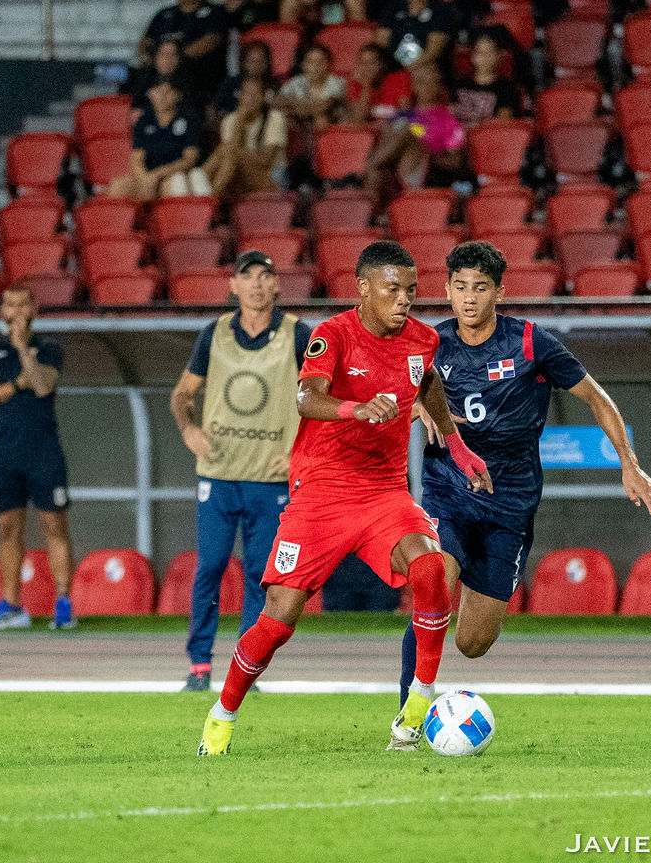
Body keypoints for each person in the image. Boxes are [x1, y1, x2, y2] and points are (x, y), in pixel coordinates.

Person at [197, 241, 493, 755]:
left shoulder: (422, 341)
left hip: (384, 492)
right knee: (278, 618)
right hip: (321, 494)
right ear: (363, 289)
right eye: (393, 289)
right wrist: (356, 410)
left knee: (429, 568)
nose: (405, 300)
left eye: (412, 291)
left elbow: (428, 388)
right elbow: (305, 398)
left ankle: (416, 705)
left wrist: (459, 446)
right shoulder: (330, 335)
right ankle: (222, 715)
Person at [398, 240, 651, 708]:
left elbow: (597, 398)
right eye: (460, 287)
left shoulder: (530, 342)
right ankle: (409, 714)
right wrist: (418, 404)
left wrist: (630, 463)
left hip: (510, 505)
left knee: (472, 643)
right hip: (448, 495)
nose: (469, 297)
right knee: (432, 587)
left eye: (480, 288)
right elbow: (392, 398)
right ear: (446, 290)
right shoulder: (429, 344)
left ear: (499, 292)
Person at [171, 250, 312, 692]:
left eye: (264, 276)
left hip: (270, 478)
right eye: (245, 275)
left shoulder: (296, 334)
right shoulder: (213, 334)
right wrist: (188, 429)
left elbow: (321, 396)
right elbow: (182, 394)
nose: (255, 284)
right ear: (232, 286)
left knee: (260, 574)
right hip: (218, 473)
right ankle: (198, 664)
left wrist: (298, 454)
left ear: (276, 286)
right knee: (210, 567)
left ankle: (245, 668)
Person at [0, 283, 77, 632]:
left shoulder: (48, 349)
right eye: (9, 304)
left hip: (44, 453)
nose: (16, 311)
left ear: (33, 309)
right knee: (7, 528)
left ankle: (63, 603)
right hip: (5, 454)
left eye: (22, 304)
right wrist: (16, 385)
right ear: (1, 311)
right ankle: (12, 606)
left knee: (54, 526)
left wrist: (22, 350)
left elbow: (43, 384)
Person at [365, 61, 466, 214]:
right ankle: (380, 213)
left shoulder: (449, 121)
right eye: (419, 81)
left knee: (407, 130)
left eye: (429, 81)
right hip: (392, 176)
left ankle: (371, 176)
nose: (423, 85)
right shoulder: (401, 115)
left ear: (439, 86)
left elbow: (455, 162)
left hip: (427, 171)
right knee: (390, 136)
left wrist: (432, 154)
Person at [109, 78, 206, 200]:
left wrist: (157, 175)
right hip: (148, 175)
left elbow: (189, 159)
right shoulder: (143, 120)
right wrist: (145, 178)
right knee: (118, 185)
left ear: (177, 95)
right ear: (150, 94)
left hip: (172, 174)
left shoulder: (188, 119)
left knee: (173, 184)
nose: (162, 97)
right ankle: (124, 219)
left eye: (167, 92)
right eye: (158, 91)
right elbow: (136, 159)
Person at [141, 0, 230, 97]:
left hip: (204, 83)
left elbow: (211, 40)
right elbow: (145, 43)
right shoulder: (164, 15)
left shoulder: (216, 13)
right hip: (162, 81)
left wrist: (173, 59)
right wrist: (153, 58)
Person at [202, 77, 289, 205]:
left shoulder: (275, 117)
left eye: (256, 94)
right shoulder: (230, 120)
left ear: (263, 97)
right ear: (240, 96)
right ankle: (204, 189)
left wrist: (241, 153)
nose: (251, 98)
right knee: (227, 150)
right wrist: (239, 122)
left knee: (230, 149)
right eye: (247, 94)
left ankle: (206, 196)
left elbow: (265, 162)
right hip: (237, 179)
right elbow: (228, 160)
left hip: (270, 178)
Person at [376, 0, 453, 70]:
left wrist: (409, 69)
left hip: (424, 66)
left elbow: (433, 52)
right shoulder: (394, 5)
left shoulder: (440, 10)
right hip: (393, 64)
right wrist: (392, 66)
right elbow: (382, 41)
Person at [452, 32, 522, 127]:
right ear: (472, 56)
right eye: (480, 52)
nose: (485, 57)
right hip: (455, 137)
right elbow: (447, 115)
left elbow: (502, 123)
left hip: (486, 138)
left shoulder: (507, 88)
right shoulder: (458, 84)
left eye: (490, 52)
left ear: (498, 56)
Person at [347, 43, 413, 124]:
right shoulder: (356, 83)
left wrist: (372, 112)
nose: (367, 68)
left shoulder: (399, 78)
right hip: (368, 130)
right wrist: (366, 87)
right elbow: (358, 118)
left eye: (371, 63)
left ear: (382, 65)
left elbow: (404, 113)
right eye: (363, 63)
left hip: (393, 127)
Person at [213, 39, 276, 118]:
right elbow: (217, 107)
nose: (257, 65)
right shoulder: (231, 83)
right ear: (243, 62)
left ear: (267, 63)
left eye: (261, 61)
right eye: (252, 61)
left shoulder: (273, 85)